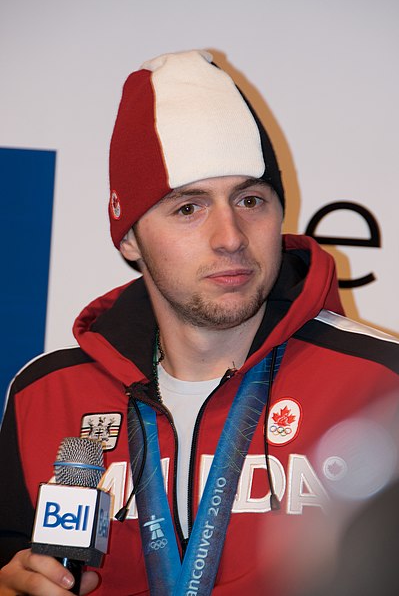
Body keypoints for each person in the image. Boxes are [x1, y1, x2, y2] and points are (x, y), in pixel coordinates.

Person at [0, 49, 398, 596]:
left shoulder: (383, 385)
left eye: (250, 200)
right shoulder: (46, 396)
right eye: (188, 208)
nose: (231, 236)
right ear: (129, 238)